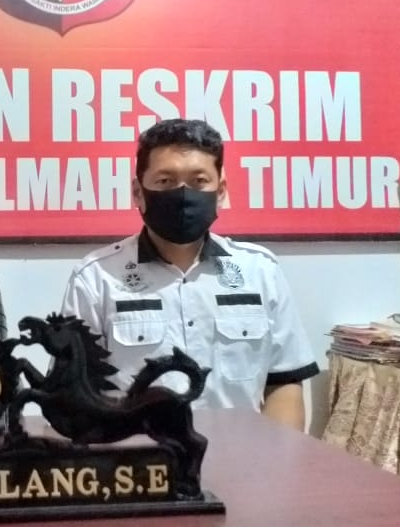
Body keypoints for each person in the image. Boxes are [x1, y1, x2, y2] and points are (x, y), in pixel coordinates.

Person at [61, 119, 318, 430]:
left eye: (199, 181)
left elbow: (284, 383)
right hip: (140, 456)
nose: (183, 194)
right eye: (165, 180)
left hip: (242, 455)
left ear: (220, 191)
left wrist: (273, 457)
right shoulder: (96, 278)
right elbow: (73, 395)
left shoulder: (260, 271)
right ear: (138, 192)